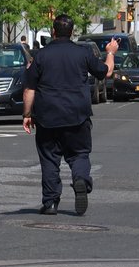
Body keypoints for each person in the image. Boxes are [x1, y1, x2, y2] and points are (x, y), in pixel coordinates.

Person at [22, 15, 117, 216]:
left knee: (49, 159)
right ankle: (80, 179)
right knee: (79, 154)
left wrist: (27, 114)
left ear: (53, 31)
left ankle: (50, 203)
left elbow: (29, 89)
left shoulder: (40, 56)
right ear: (72, 32)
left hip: (47, 117)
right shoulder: (82, 53)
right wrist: (110, 52)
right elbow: (106, 72)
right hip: (77, 116)